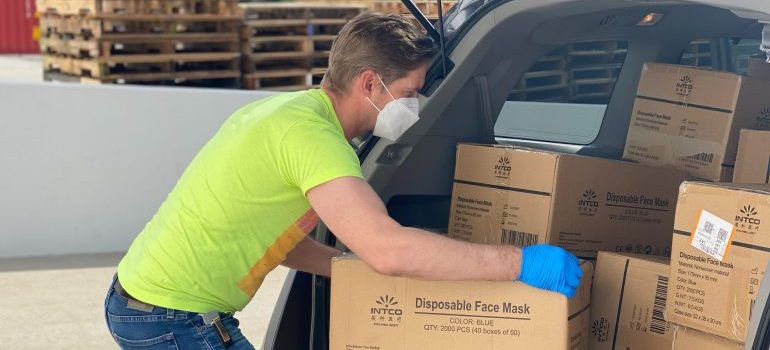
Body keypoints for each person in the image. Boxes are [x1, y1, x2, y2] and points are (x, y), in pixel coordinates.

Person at [104, 12, 582, 349]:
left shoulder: (289, 113)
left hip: (147, 303)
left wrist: (351, 269)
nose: (413, 107)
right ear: (369, 83)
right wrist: (519, 263)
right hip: (172, 318)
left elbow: (276, 239)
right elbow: (390, 251)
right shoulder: (314, 140)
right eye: (409, 93)